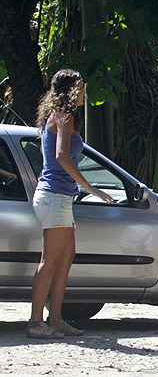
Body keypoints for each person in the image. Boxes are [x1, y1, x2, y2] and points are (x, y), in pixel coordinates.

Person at [28, 69, 114, 339]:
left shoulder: (61, 116)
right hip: (53, 197)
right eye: (81, 87)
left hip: (60, 198)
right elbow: (62, 156)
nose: (84, 92)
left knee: (65, 258)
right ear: (70, 91)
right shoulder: (63, 116)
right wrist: (89, 187)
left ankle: (56, 319)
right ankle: (35, 322)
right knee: (50, 261)